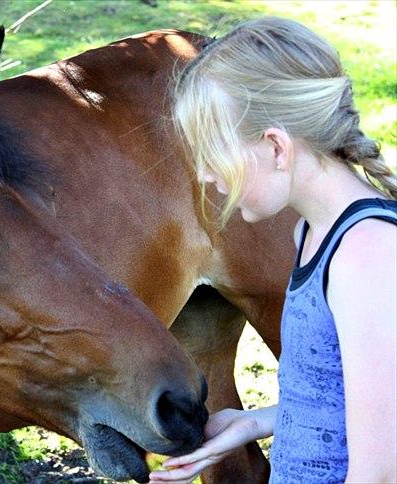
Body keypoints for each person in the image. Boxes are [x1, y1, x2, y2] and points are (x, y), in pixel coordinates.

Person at [150, 17, 397, 484]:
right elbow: (349, 407)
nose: (206, 176)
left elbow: (381, 472)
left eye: (212, 153)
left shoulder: (367, 255)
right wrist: (253, 423)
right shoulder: (311, 232)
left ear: (276, 147)